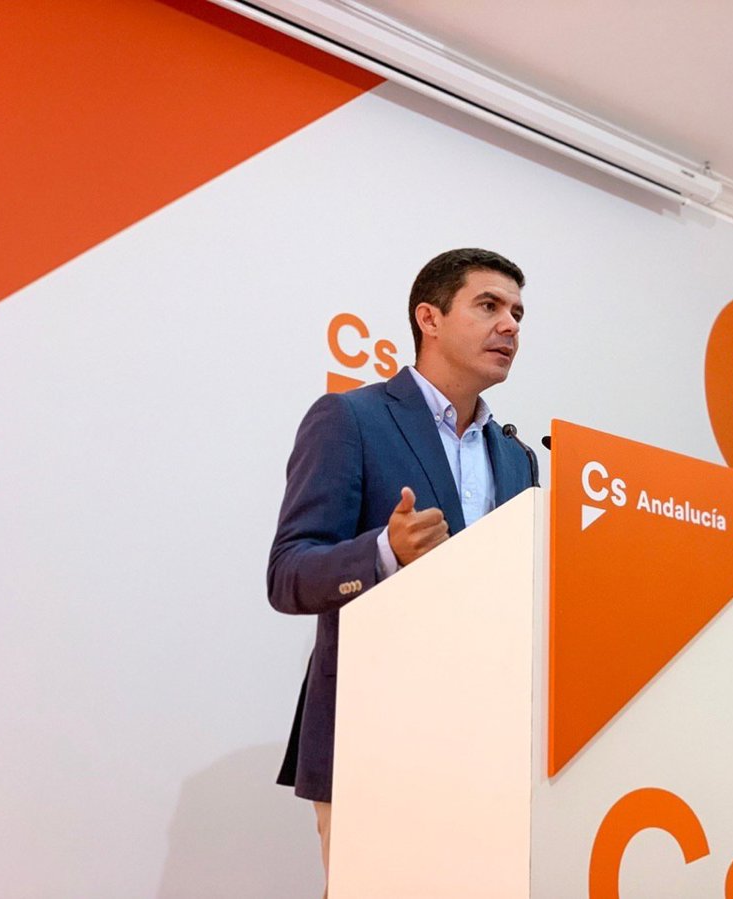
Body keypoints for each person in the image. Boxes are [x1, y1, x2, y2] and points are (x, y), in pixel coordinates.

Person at [267, 248, 534, 891]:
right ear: (429, 318)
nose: (510, 326)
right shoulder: (351, 419)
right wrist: (384, 552)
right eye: (489, 306)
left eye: (518, 314)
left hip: (485, 745)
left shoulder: (518, 458)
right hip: (374, 738)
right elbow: (289, 573)